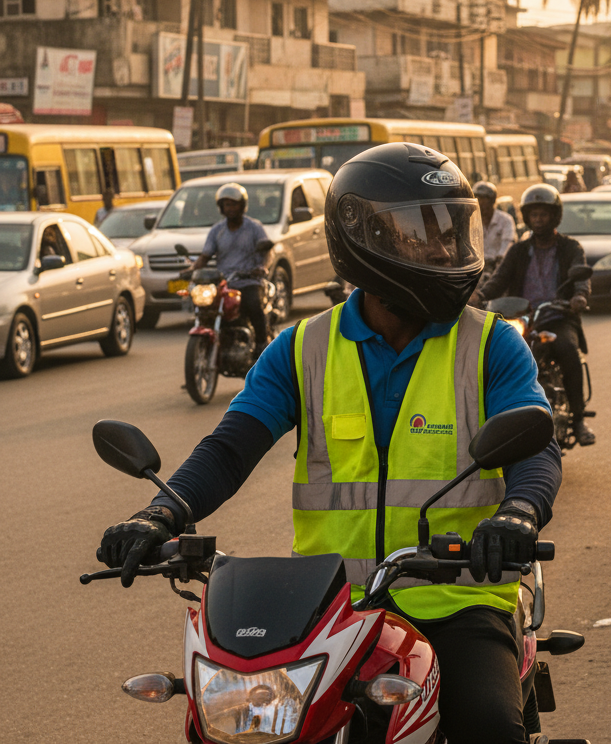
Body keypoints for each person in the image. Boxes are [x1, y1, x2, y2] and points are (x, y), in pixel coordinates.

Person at [97, 143, 562, 744]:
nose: (445, 249)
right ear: (362, 238)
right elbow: (231, 447)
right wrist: (159, 514)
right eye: (422, 232)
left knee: (489, 727)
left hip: (457, 599)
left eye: (451, 229)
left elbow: (535, 448)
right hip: (328, 608)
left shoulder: (491, 343)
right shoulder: (302, 348)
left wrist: (517, 516)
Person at [474, 183, 595, 446]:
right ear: (527, 218)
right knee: (493, 356)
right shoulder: (518, 251)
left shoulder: (570, 247)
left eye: (544, 215)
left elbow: (580, 274)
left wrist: (579, 296)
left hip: (558, 317)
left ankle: (578, 419)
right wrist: (480, 295)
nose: (538, 220)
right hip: (522, 318)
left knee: (567, 351)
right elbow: (499, 278)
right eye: (534, 215)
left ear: (554, 216)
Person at [183, 183, 273, 356]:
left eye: (233, 204)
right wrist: (192, 270)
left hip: (248, 281)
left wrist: (262, 268)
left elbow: (267, 251)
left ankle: (263, 345)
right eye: (226, 205)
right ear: (221, 208)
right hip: (225, 283)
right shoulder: (217, 231)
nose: (230, 208)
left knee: (253, 304)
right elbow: (205, 256)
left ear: (242, 205)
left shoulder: (255, 228)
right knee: (207, 309)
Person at [473, 181, 516, 273]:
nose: (479, 203)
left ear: (492, 201)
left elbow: (508, 243)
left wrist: (499, 258)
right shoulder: (470, 222)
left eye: (483, 199)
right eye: (477, 199)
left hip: (500, 268)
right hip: (477, 270)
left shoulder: (505, 220)